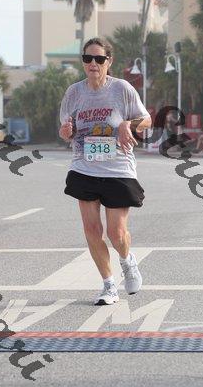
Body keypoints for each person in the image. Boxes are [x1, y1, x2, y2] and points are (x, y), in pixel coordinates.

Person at [59, 37, 152, 306]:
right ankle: (109, 285)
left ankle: (127, 260)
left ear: (108, 62)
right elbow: (65, 130)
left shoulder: (121, 89)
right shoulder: (74, 93)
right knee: (91, 229)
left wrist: (126, 124)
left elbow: (147, 120)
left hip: (118, 168)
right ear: (83, 62)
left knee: (116, 233)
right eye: (88, 58)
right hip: (84, 167)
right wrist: (65, 131)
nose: (93, 64)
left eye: (99, 59)